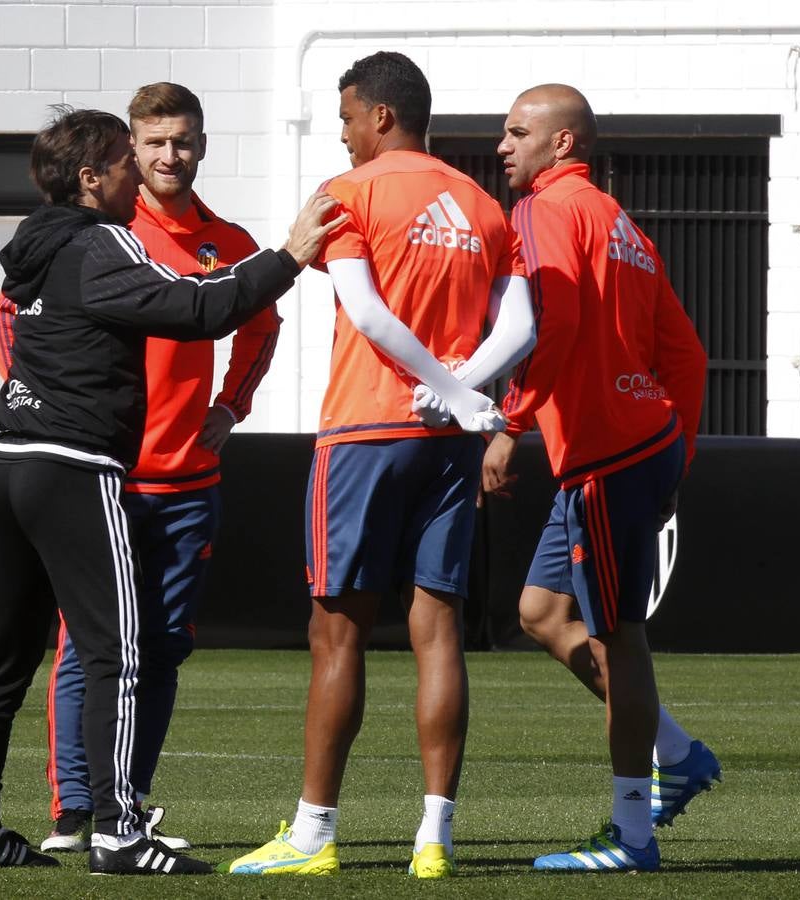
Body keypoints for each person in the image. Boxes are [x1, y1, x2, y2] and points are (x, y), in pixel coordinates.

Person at [0, 105, 342, 874]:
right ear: (92, 178)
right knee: (117, 655)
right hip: (73, 465)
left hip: (10, 459)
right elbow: (199, 307)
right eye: (129, 159)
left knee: (9, 655)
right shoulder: (100, 243)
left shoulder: (41, 246)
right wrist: (289, 256)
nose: (141, 171)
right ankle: (119, 833)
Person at [228, 51, 535, 879]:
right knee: (438, 633)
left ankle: (313, 836)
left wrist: (441, 385)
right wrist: (465, 394)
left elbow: (363, 311)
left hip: (366, 432)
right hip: (446, 443)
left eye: (348, 119)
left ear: (382, 117)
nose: (344, 134)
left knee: (337, 634)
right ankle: (434, 838)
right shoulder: (480, 202)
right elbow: (522, 329)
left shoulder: (349, 191)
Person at [481, 84, 715, 872]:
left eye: (518, 133)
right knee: (543, 611)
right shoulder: (624, 226)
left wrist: (511, 421)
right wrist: (675, 453)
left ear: (563, 145)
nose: (503, 147)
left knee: (620, 639)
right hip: (630, 446)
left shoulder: (544, 211)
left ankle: (633, 836)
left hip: (610, 456)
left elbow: (557, 324)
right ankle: (677, 753)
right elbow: (686, 356)